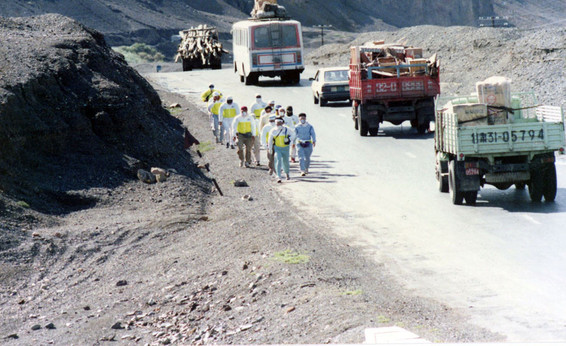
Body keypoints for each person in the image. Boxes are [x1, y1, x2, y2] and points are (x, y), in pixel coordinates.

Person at [268, 116, 295, 183]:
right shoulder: (273, 130)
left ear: (282, 122)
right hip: (277, 148)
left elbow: (293, 134)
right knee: (278, 160)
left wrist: (290, 140)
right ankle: (278, 176)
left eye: (280, 122)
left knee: (285, 162)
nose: (278, 124)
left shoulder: (286, 129)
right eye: (277, 122)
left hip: (285, 148)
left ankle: (287, 173)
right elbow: (270, 140)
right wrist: (270, 148)